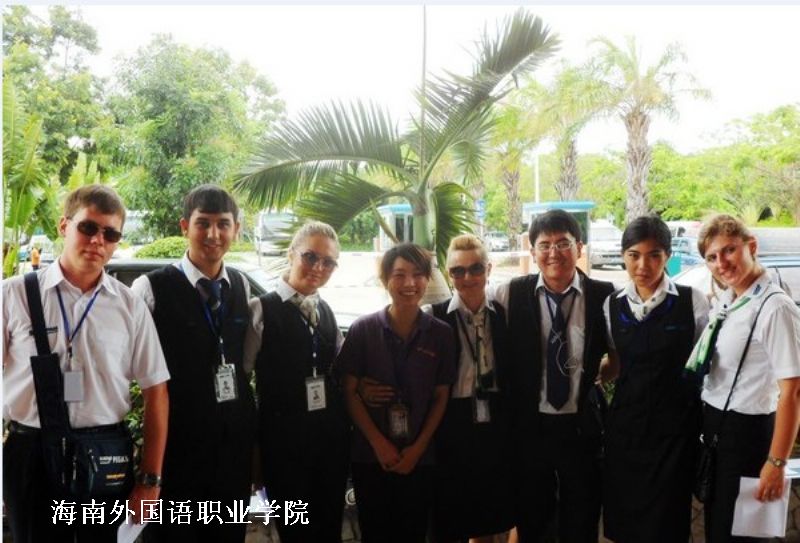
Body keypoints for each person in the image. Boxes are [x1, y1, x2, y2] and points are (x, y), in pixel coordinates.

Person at [3, 184, 169, 542]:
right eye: (88, 227)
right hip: (31, 452)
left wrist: (150, 480)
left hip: (104, 454)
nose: (98, 241)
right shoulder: (14, 295)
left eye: (110, 234)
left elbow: (156, 391)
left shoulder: (129, 306)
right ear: (64, 226)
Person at [132, 184, 256, 542]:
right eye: (203, 223)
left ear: (236, 229)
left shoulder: (241, 285)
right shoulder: (150, 289)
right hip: (176, 452)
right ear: (185, 226)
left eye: (223, 224)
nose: (213, 234)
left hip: (231, 455)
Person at [493, 209, 614, 543]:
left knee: (583, 513)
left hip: (580, 425)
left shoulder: (605, 296)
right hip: (531, 426)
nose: (553, 253)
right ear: (532, 252)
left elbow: (617, 356)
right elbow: (467, 307)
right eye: (544, 245)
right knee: (533, 515)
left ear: (579, 247)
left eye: (563, 243)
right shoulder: (510, 293)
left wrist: (595, 378)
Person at [689, 214, 800, 543]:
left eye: (729, 250)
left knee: (744, 536)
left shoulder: (775, 307)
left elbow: (792, 391)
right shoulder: (730, 299)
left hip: (749, 436)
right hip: (718, 432)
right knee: (719, 531)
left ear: (751, 246)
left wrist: (776, 462)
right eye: (712, 257)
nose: (721, 263)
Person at [599, 216, 709, 542]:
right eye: (634, 255)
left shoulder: (692, 301)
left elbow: (704, 365)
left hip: (675, 433)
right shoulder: (611, 305)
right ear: (623, 255)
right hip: (626, 431)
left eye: (654, 255)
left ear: (668, 256)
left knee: (668, 523)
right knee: (626, 521)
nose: (642, 265)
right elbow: (615, 362)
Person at [338, 243, 456, 543]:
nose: (409, 283)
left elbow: (441, 395)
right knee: (375, 532)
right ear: (385, 280)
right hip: (370, 456)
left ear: (427, 279)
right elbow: (348, 391)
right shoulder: (363, 329)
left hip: (420, 456)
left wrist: (418, 448)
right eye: (399, 274)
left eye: (418, 274)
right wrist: (378, 444)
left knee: (413, 531)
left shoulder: (440, 333)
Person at [245, 221, 351, 542]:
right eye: (310, 257)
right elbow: (242, 382)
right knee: (296, 532)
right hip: (283, 446)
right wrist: (253, 449)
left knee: (329, 528)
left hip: (328, 444)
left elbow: (342, 369)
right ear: (292, 254)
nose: (318, 268)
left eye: (328, 262)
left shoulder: (326, 311)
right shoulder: (260, 310)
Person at [429, 234, 514, 543]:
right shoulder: (434, 316)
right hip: (452, 420)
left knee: (490, 511)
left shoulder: (505, 312)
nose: (467, 278)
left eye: (475, 268)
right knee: (453, 508)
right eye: (458, 271)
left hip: (496, 418)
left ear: (488, 269)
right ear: (448, 273)